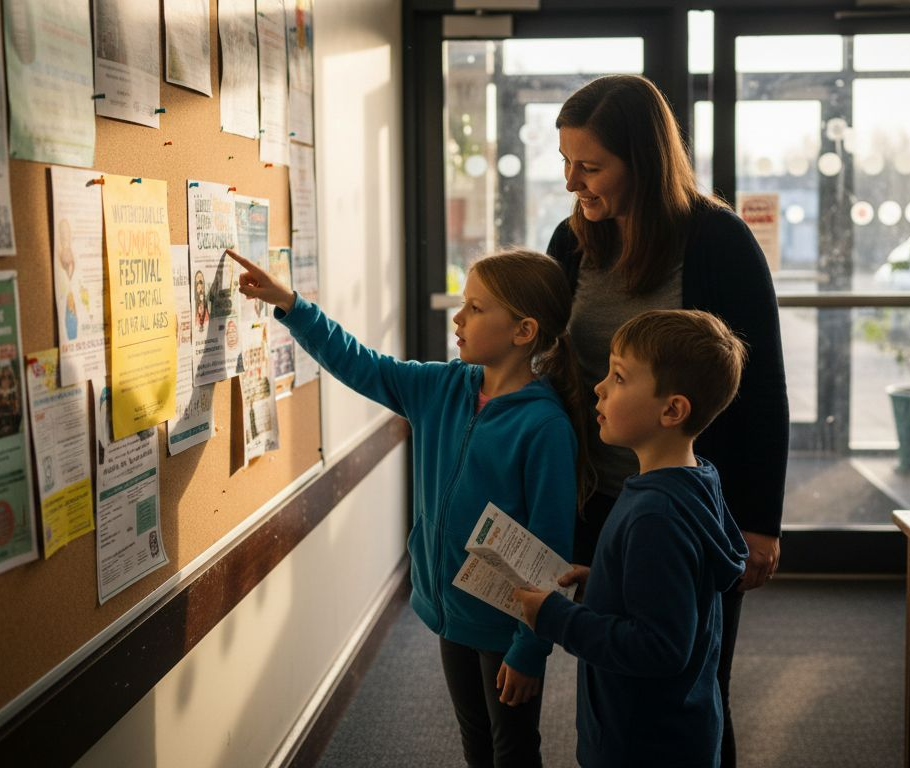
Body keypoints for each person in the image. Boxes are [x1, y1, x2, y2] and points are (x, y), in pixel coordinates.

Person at [227, 246, 590, 768]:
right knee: (476, 743)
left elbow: (550, 550)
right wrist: (291, 305)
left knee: (512, 750)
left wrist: (530, 650)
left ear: (524, 331)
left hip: (507, 628)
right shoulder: (441, 387)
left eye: (477, 308)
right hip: (450, 611)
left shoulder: (544, 427)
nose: (459, 318)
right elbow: (359, 363)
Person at [545, 74, 789, 767]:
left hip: (685, 507)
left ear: (644, 162)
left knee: (695, 688)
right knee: (616, 685)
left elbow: (763, 389)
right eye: (565, 163)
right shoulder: (573, 242)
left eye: (589, 167)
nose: (572, 183)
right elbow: (553, 361)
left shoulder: (718, 243)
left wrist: (761, 522)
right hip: (603, 504)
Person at [513, 309, 749, 768]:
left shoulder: (656, 515)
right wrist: (603, 578)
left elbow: (659, 647)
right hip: (668, 728)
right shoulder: (692, 481)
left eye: (619, 377)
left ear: (672, 409)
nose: (599, 387)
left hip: (645, 743)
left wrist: (556, 619)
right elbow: (671, 594)